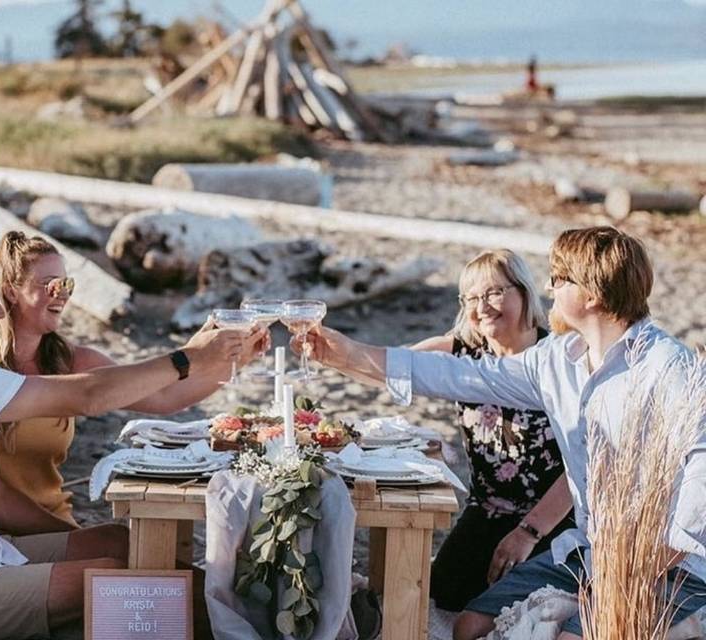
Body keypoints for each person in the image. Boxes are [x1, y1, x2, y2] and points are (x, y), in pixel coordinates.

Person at [296, 227, 706, 640]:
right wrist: (346, 353)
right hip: (589, 549)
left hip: (670, 566)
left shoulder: (669, 368)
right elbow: (461, 374)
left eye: (559, 279)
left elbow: (701, 467)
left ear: (592, 295)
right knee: (467, 627)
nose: (548, 286)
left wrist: (652, 558)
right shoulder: (558, 358)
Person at [0, 244, 263, 640]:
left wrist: (71, 535)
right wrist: (186, 358)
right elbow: (87, 395)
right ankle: (248, 628)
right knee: (119, 580)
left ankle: (241, 619)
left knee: (118, 541)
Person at [0, 231, 251, 529]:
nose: (62, 294)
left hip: (50, 522)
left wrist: (229, 361)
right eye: (49, 285)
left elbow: (164, 396)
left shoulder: (71, 360)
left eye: (67, 284)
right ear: (10, 293)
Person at [413, 249, 574, 612]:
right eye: (471, 297)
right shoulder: (463, 353)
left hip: (552, 520)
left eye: (494, 293)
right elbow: (397, 366)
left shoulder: (559, 358)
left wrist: (529, 533)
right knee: (445, 594)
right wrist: (330, 350)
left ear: (524, 292)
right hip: (486, 511)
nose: (481, 306)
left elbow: (583, 466)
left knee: (521, 609)